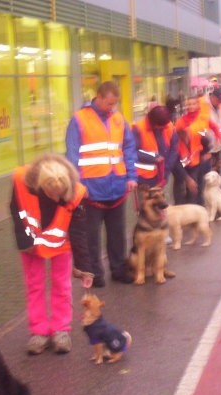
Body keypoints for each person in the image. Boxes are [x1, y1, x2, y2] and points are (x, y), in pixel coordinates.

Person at [10, 153, 94, 355]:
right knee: (34, 286)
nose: (57, 199)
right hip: (31, 244)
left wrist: (84, 268)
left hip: (60, 245)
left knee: (62, 286)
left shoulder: (77, 193)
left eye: (61, 194)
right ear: (40, 186)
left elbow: (79, 232)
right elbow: (16, 211)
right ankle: (38, 332)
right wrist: (25, 241)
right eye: (52, 194)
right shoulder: (22, 181)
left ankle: (60, 331)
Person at [65, 81, 138, 287]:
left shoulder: (118, 119)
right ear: (98, 97)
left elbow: (129, 148)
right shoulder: (79, 120)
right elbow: (72, 154)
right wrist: (78, 186)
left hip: (117, 187)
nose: (111, 108)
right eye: (108, 103)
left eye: (114, 104)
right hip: (91, 190)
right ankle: (96, 273)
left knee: (118, 235)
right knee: (92, 238)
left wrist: (131, 177)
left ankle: (118, 269)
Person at [132, 105, 197, 196]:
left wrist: (165, 177)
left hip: (162, 177)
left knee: (161, 207)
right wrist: (153, 157)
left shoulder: (168, 127)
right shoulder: (138, 128)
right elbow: (131, 152)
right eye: (160, 127)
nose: (163, 129)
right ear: (153, 123)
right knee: (146, 208)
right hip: (143, 180)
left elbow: (173, 155)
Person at [174, 95, 220, 205]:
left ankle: (197, 206)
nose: (191, 106)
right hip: (185, 157)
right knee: (182, 182)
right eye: (189, 104)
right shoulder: (181, 121)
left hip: (201, 156)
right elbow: (176, 138)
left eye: (193, 103)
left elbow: (214, 129)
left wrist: (217, 141)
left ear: (198, 105)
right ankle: (183, 206)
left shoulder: (204, 118)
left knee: (198, 184)